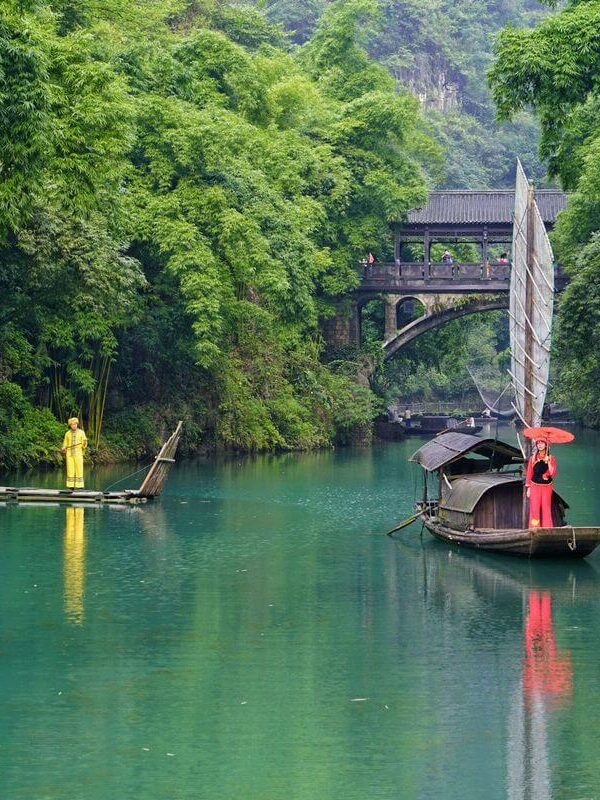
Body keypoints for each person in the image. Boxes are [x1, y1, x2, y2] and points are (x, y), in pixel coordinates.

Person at [525, 439, 556, 528]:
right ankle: (534, 529)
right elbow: (529, 473)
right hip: (534, 486)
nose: (540, 445)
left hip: (547, 487)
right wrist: (528, 488)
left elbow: (553, 473)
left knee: (546, 508)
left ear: (546, 445)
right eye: (538, 443)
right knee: (535, 508)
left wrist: (548, 462)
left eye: (542, 443)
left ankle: (547, 528)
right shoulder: (533, 458)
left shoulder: (551, 458)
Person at [60, 417, 88, 490]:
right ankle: (70, 486)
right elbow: (65, 443)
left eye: (75, 424)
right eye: (72, 424)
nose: (74, 426)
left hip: (78, 453)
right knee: (70, 469)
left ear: (77, 424)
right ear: (70, 425)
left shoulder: (81, 432)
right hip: (69, 454)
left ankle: (80, 486)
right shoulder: (67, 433)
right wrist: (63, 447)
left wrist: (84, 443)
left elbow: (84, 443)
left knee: (79, 469)